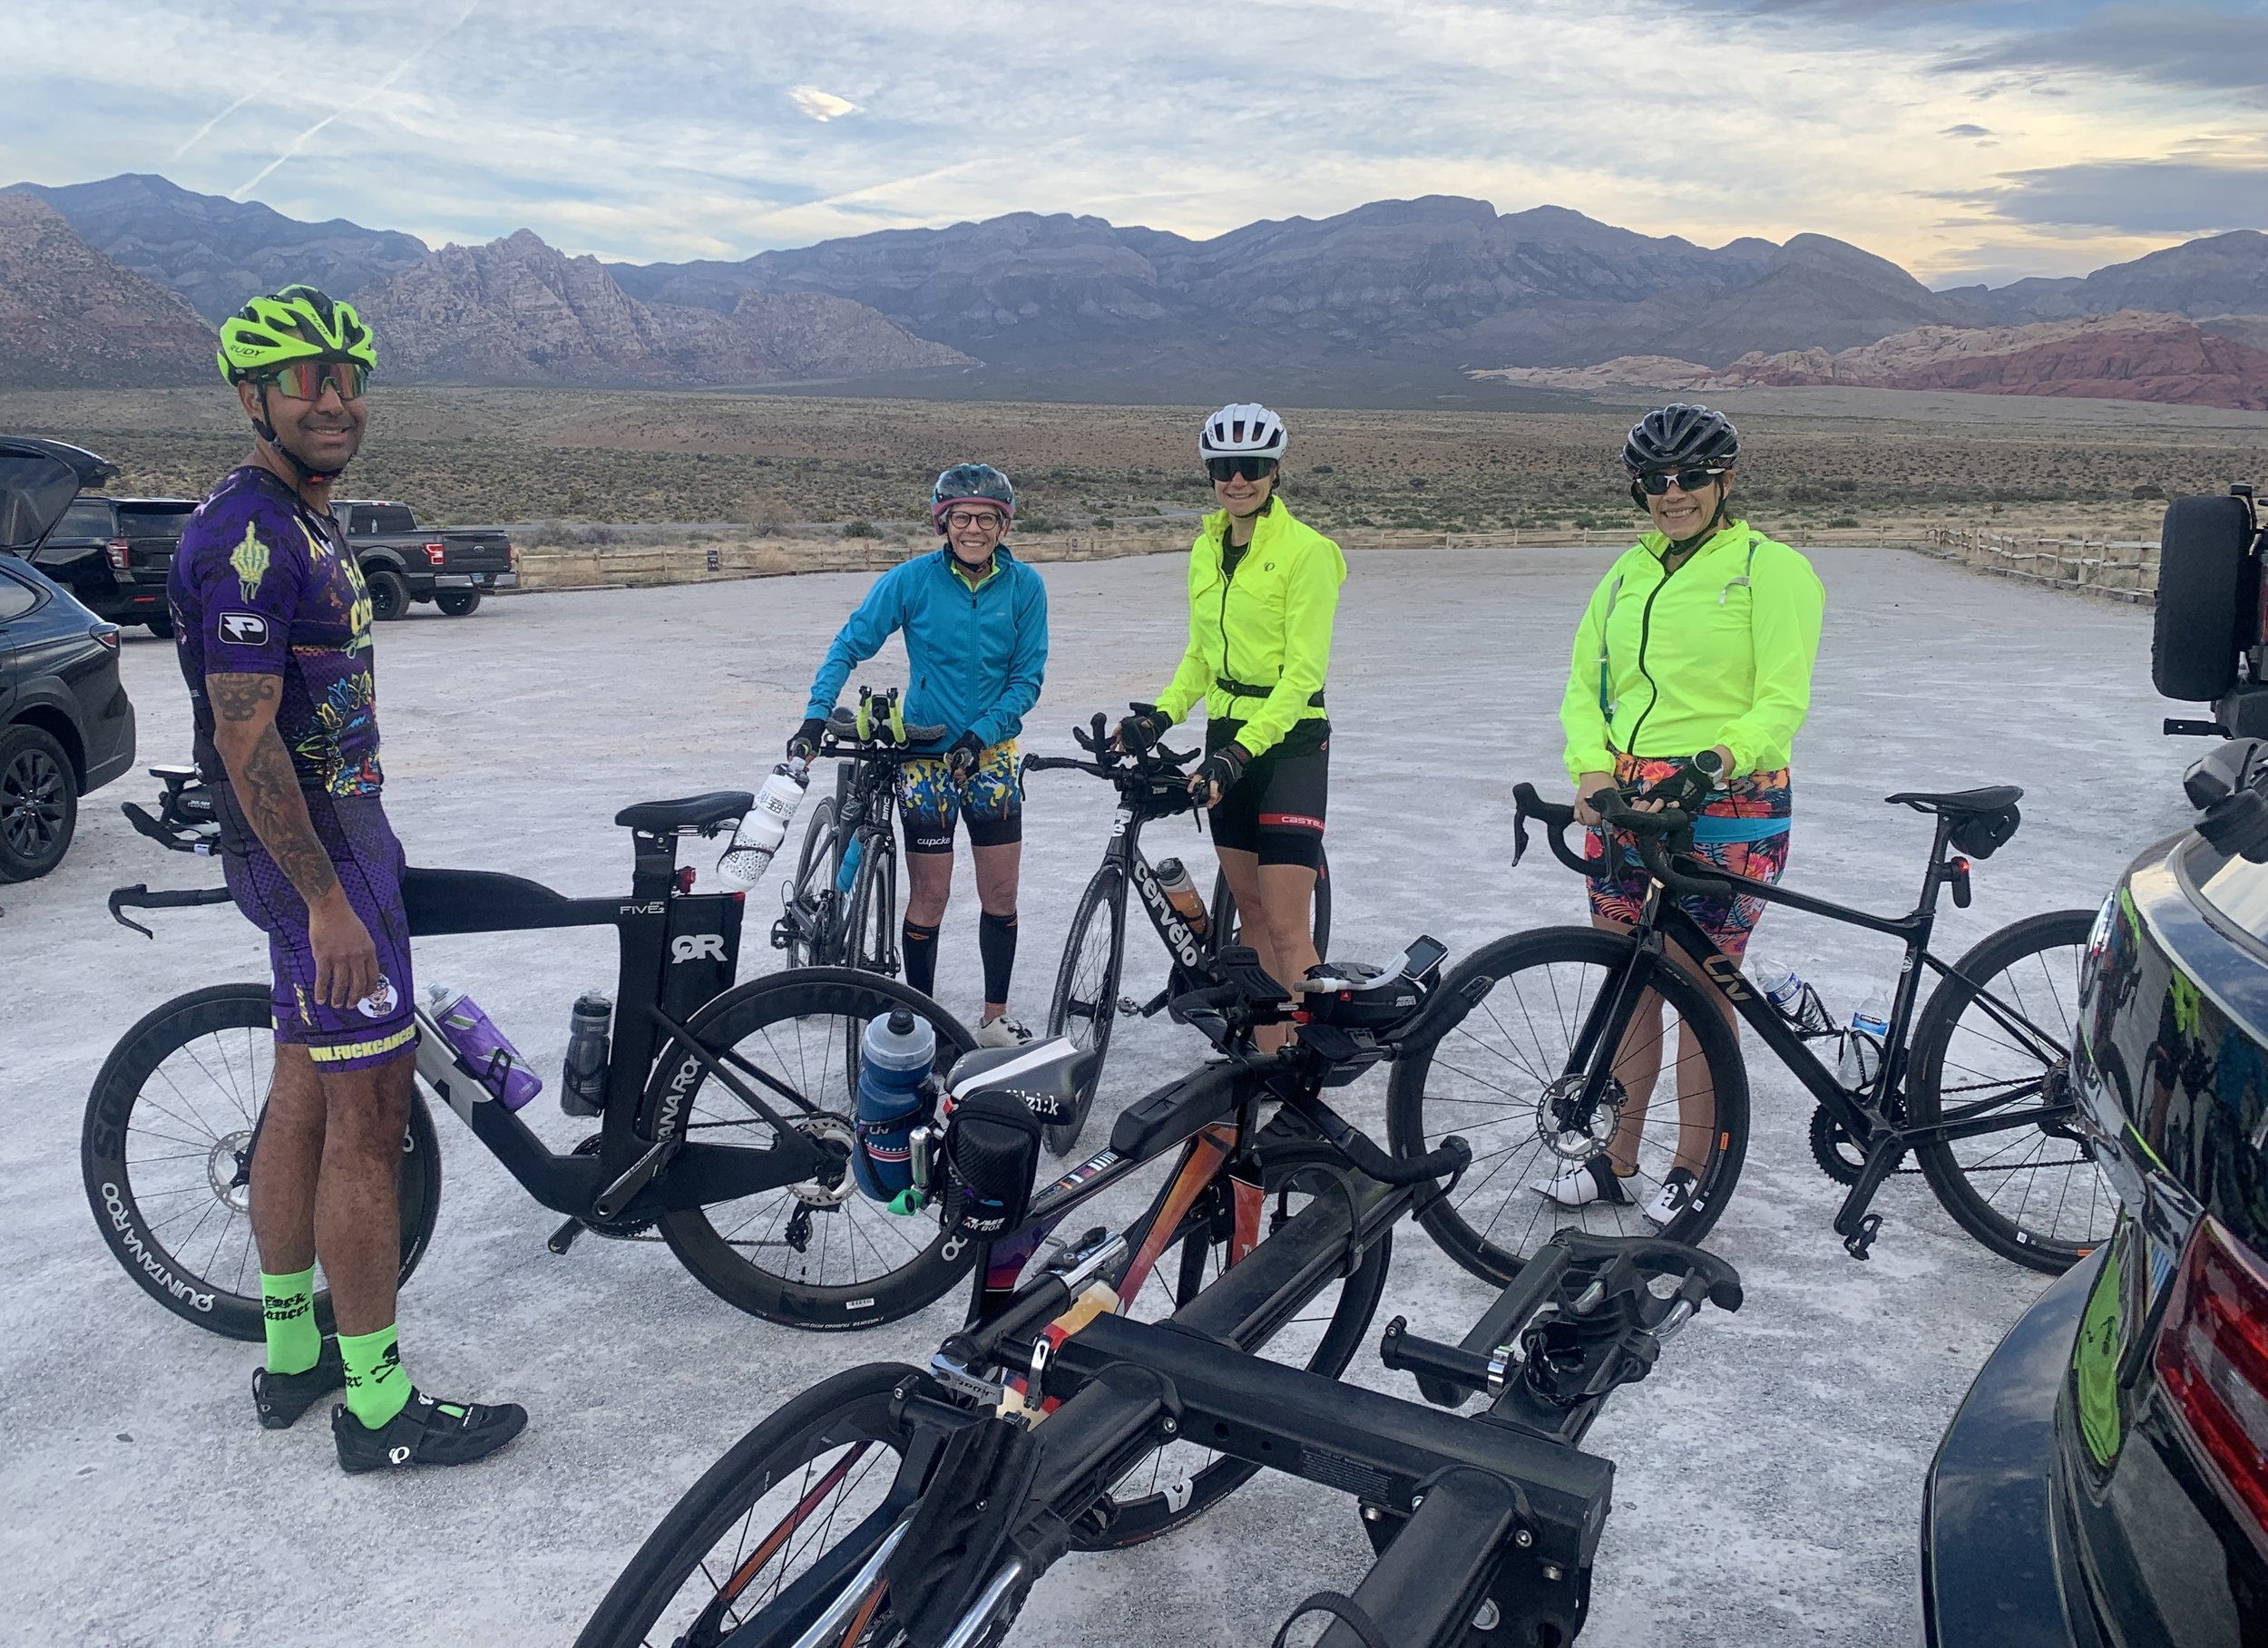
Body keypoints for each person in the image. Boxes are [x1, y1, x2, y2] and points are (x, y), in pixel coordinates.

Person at [170, 285, 524, 1471]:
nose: (334, 397)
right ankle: (377, 1406)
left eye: (348, 375)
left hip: (337, 846)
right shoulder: (248, 537)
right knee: (370, 1124)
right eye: (306, 378)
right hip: (319, 867)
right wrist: (328, 901)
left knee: (306, 1098)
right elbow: (243, 736)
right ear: (252, 396)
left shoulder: (306, 522)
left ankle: (291, 1353)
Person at [1551, 403, 1825, 1224]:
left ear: (1725, 480)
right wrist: (1591, 767)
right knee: (1628, 978)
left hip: (1726, 798)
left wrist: (1716, 761)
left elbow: (1782, 699)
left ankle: (1693, 1164)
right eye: (1656, 481)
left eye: (1691, 477)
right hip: (1626, 799)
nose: (1674, 494)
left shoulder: (1770, 569)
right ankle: (1613, 1157)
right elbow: (1584, 684)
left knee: (1699, 984)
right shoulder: (1627, 572)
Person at [793, 463, 1049, 1045]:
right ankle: (921, 1017)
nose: (974, 528)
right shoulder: (911, 580)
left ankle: (993, 1018)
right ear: (944, 523)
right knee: (930, 896)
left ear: (1003, 525)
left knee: (1000, 895)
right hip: (926, 756)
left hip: (991, 758)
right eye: (962, 517)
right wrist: (814, 713)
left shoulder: (1026, 587)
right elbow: (849, 643)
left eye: (987, 518)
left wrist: (981, 733)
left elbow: (1026, 680)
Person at [1119, 404, 1344, 1049]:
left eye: (1251, 467)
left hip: (1290, 744)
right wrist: (1161, 714)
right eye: (1224, 467)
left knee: (1286, 926)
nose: (1237, 479)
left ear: (1274, 472)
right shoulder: (1205, 548)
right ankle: (1269, 1058)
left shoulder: (1308, 552)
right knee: (1249, 913)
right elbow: (1200, 657)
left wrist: (1240, 752)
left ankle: (1306, 1070)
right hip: (1228, 737)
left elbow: (1302, 675)